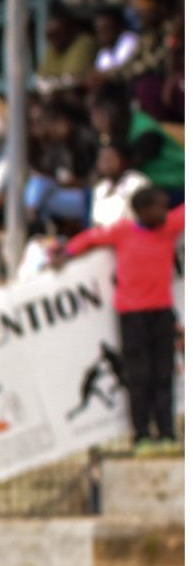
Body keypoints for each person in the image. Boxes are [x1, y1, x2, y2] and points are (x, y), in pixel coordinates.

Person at [58, 187, 185, 451]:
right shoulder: (123, 231)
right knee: (138, 376)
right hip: (132, 314)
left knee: (164, 374)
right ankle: (142, 436)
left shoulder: (170, 227)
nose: (164, 212)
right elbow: (90, 238)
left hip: (162, 311)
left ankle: (167, 434)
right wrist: (67, 253)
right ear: (142, 211)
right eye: (158, 207)